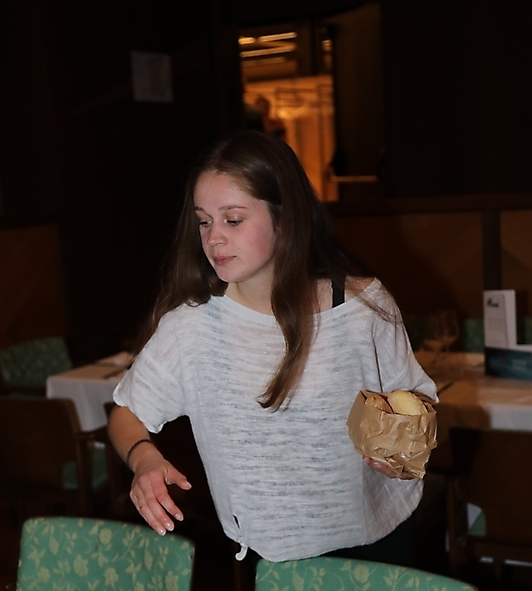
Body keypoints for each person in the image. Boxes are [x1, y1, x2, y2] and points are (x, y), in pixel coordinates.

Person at [108, 130, 437, 565]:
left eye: (233, 220)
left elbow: (417, 405)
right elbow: (126, 413)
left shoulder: (362, 306)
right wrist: (144, 459)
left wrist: (403, 452)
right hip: (271, 557)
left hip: (377, 537)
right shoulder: (192, 328)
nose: (213, 238)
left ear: (284, 219)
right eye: (204, 221)